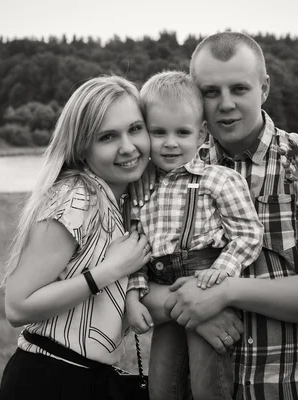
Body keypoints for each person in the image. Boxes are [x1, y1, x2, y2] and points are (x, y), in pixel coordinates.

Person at [137, 32, 298, 399]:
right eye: (210, 92)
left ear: (264, 87)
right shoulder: (169, 169)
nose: (225, 104)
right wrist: (189, 308)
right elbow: (139, 278)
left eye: (239, 89)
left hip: (290, 388)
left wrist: (224, 293)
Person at [0, 75, 153, 400]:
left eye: (135, 129)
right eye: (108, 136)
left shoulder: (122, 201)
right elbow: (17, 306)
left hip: (88, 379)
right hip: (48, 380)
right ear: (82, 147)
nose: (128, 146)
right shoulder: (77, 197)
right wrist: (110, 270)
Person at [125, 71, 263, 400]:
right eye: (158, 132)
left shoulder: (219, 180)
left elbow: (248, 233)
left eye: (182, 132)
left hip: (206, 287)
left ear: (201, 133)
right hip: (162, 287)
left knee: (208, 386)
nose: (170, 142)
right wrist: (133, 295)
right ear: (145, 132)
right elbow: (135, 251)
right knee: (161, 386)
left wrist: (223, 270)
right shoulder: (141, 190)